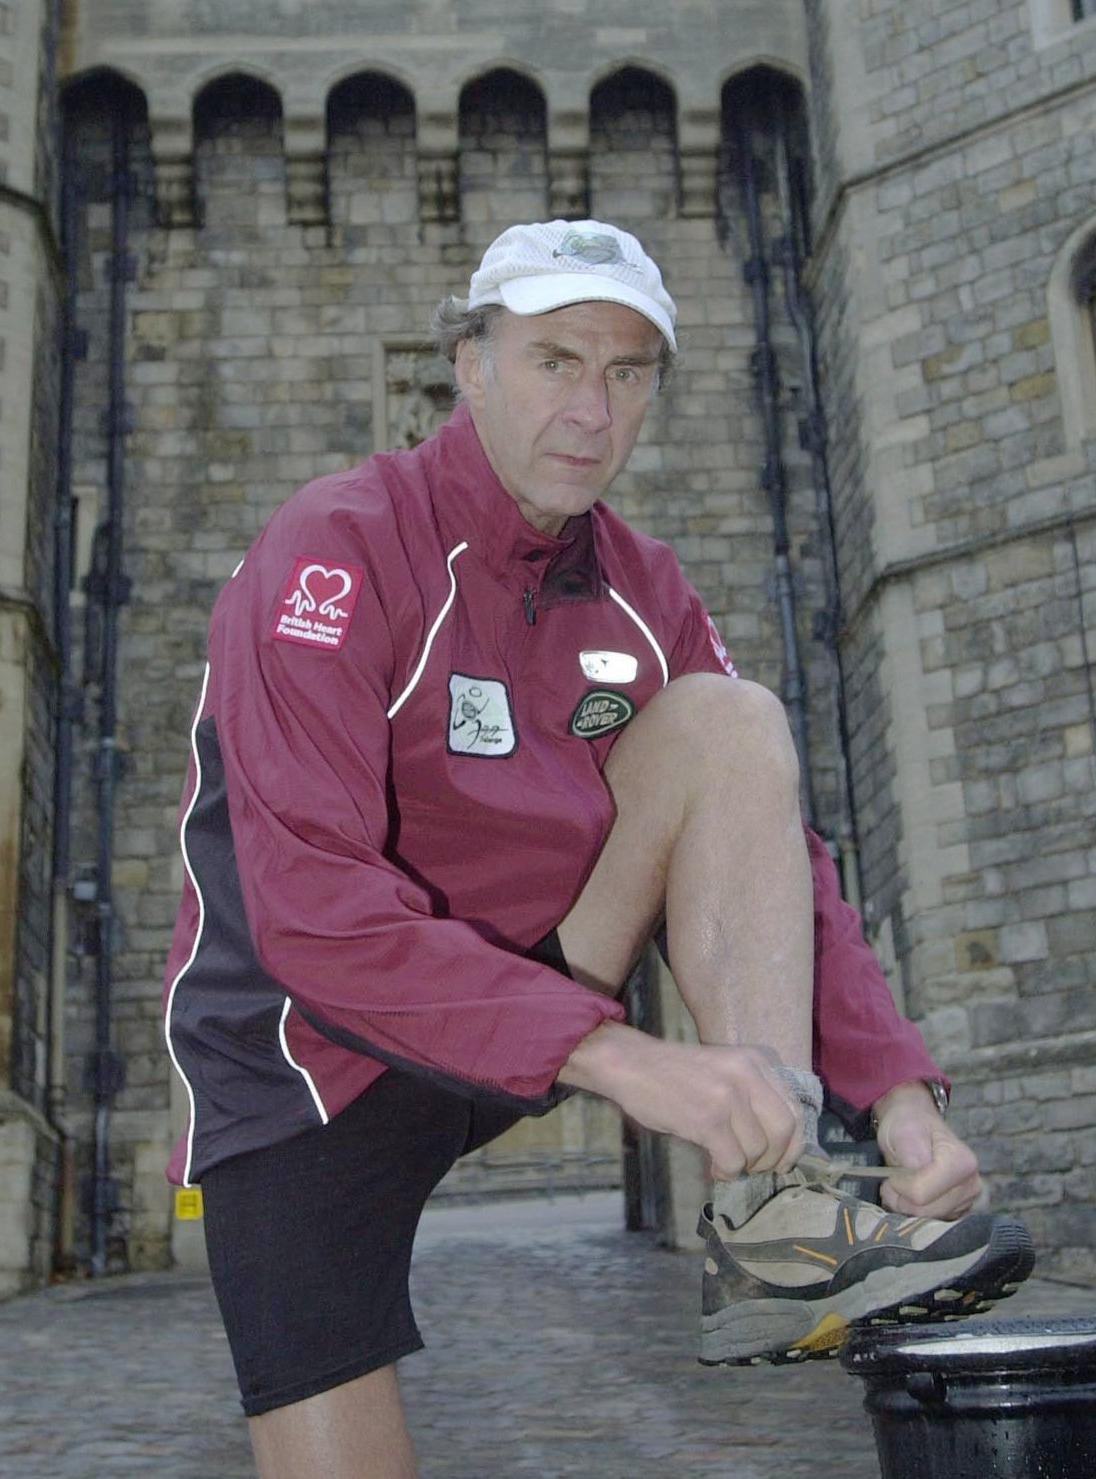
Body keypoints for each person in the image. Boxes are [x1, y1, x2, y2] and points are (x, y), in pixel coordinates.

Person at [163, 219, 1033, 1478]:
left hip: (535, 975)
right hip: (304, 1051)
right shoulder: (335, 544)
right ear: (469, 364)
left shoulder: (644, 584)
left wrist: (896, 1098)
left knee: (732, 725)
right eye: (556, 360)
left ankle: (774, 1214)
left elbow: (773, 849)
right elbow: (309, 912)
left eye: (629, 373)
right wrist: (624, 1060)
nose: (592, 408)